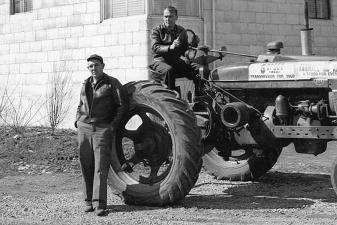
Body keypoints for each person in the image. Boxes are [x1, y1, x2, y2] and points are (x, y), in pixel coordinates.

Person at [75, 54, 126, 216]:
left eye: (96, 65)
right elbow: (80, 104)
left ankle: (100, 204)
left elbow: (122, 106)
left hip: (102, 129)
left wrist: (112, 127)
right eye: (90, 66)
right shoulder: (86, 83)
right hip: (84, 129)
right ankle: (88, 201)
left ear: (103, 66)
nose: (93, 68)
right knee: (86, 165)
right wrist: (77, 121)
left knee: (100, 168)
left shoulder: (112, 83)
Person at [149, 6, 199, 91]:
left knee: (196, 69)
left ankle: (199, 97)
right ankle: (172, 99)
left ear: (176, 17)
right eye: (166, 16)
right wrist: (170, 47)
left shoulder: (181, 30)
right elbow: (155, 47)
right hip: (160, 61)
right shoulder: (156, 30)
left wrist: (194, 45)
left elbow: (185, 51)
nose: (167, 19)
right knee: (169, 71)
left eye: (170, 16)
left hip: (175, 61)